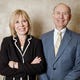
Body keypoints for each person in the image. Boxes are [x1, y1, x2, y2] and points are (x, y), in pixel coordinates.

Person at [0, 9, 46, 80]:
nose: (21, 25)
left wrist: (15, 65)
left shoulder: (36, 42)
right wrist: (30, 65)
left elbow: (41, 68)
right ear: (13, 25)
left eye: (24, 21)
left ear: (28, 23)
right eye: (17, 22)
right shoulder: (7, 42)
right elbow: (2, 69)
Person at [39, 3, 80, 80]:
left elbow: (78, 67)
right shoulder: (43, 38)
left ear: (70, 17)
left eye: (65, 13)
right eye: (58, 13)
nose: (61, 17)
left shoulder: (78, 39)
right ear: (53, 15)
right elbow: (39, 64)